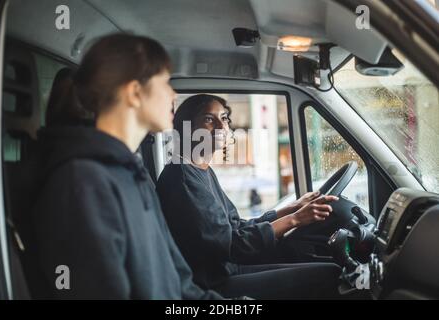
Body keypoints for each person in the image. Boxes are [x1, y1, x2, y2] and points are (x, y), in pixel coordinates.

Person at [30, 34, 224, 299]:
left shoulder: (134, 174)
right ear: (134, 93)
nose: (173, 93)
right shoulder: (83, 182)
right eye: (165, 83)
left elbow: (181, 286)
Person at [156, 94, 341, 299]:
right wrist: (295, 219)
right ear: (187, 128)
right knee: (330, 274)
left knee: (321, 266)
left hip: (227, 270)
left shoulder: (200, 170)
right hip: (212, 285)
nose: (221, 126)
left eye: (224, 118)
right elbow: (232, 245)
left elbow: (234, 226)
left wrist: (291, 208)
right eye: (209, 119)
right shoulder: (183, 177)